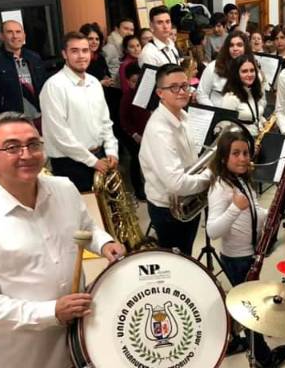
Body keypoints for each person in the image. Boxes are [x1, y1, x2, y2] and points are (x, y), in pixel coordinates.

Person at [0, 112, 125, 368]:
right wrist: (51, 312)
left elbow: (86, 228)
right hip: (27, 354)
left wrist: (104, 244)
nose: (26, 155)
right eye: (12, 148)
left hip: (85, 338)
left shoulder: (64, 188)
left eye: (33, 144)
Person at [206, 130, 285, 367]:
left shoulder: (242, 180)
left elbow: (254, 211)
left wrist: (272, 217)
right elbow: (213, 231)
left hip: (249, 253)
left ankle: (237, 339)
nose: (243, 158)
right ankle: (262, 357)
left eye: (245, 152)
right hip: (236, 258)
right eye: (236, 154)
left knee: (243, 302)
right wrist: (234, 208)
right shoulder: (221, 187)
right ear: (224, 158)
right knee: (250, 307)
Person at [139, 64, 211, 255]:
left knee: (186, 255)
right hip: (169, 211)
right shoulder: (159, 131)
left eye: (185, 86)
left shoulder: (183, 116)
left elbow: (190, 160)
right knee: (175, 263)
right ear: (160, 93)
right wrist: (211, 175)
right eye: (174, 87)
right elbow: (176, 183)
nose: (182, 92)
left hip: (188, 201)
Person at [40, 32, 118, 192]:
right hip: (70, 163)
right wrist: (92, 161)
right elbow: (60, 135)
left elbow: (105, 122)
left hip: (100, 156)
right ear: (64, 54)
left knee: (107, 214)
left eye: (85, 50)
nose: (81, 56)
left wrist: (111, 150)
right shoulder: (54, 86)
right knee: (81, 214)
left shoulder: (94, 82)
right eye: (74, 51)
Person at [0, 20, 47, 123]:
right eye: (10, 32)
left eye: (18, 32)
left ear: (24, 35)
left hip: (39, 117)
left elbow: (44, 86)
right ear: (1, 36)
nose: (15, 36)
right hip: (12, 121)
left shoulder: (34, 58)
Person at [118, 62, 148, 201]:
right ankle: (138, 189)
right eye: (133, 81)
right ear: (128, 82)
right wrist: (135, 134)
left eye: (139, 81)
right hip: (134, 135)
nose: (136, 84)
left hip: (147, 133)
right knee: (136, 159)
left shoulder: (147, 94)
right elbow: (123, 119)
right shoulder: (127, 97)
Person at [197, 29, 250, 107]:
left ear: (245, 47)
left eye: (239, 45)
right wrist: (216, 113)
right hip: (218, 114)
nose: (235, 49)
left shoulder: (251, 68)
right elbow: (201, 94)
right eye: (231, 45)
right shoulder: (213, 66)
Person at [221, 55, 266, 136]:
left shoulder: (254, 91)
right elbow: (226, 128)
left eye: (252, 70)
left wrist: (263, 122)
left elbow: (255, 116)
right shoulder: (230, 98)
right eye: (244, 71)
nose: (250, 74)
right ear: (236, 74)